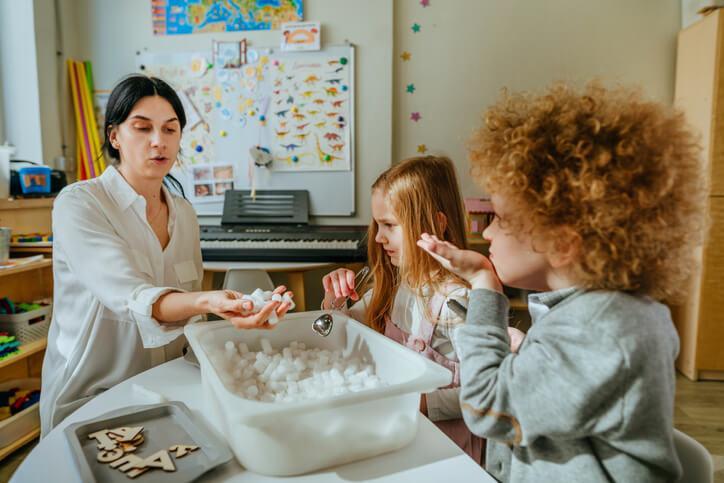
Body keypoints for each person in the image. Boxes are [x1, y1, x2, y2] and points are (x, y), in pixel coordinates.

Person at [417, 82, 709, 482]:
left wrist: (484, 283)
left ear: (561, 242)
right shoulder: (596, 314)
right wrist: (526, 351)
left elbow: (487, 406)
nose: (487, 235)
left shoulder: (607, 329)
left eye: (499, 219)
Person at [40, 75, 292, 436]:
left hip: (168, 390)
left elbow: (190, 316)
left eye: (170, 130)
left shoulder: (184, 214)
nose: (159, 142)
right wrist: (210, 300)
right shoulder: (80, 203)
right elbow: (131, 295)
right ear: (115, 136)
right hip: (92, 397)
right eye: (142, 128)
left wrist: (243, 318)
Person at [322, 156, 486, 464]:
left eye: (389, 225)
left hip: (446, 453)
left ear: (436, 224)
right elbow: (343, 326)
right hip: (400, 439)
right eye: (377, 225)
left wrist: (422, 403)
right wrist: (334, 298)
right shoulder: (397, 284)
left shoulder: (457, 301)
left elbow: (487, 394)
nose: (379, 238)